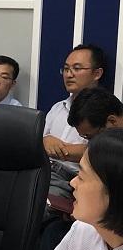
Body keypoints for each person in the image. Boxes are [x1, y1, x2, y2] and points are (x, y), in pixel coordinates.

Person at [43, 44, 105, 198]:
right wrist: (45, 140)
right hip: (43, 169)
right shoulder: (58, 107)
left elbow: (100, 152)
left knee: (37, 204)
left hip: (73, 178)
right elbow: (39, 140)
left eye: (77, 68)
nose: (68, 74)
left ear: (97, 73)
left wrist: (59, 149)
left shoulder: (106, 111)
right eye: (65, 69)